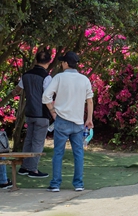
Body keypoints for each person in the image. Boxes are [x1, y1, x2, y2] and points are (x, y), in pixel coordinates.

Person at [42, 51, 93, 192]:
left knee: (58, 153)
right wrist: (89, 119)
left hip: (61, 120)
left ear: (65, 63)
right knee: (79, 153)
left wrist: (52, 111)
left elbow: (46, 96)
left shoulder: (59, 78)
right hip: (78, 122)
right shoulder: (84, 80)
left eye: (62, 62)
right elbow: (89, 100)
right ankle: (78, 184)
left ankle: (55, 184)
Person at [1, 48, 53, 178]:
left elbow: (17, 90)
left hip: (29, 112)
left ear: (36, 59)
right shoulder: (46, 77)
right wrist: (53, 112)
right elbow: (48, 97)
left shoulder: (26, 75)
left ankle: (24, 166)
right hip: (42, 113)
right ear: (49, 61)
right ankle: (32, 169)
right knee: (38, 142)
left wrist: (11, 94)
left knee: (29, 140)